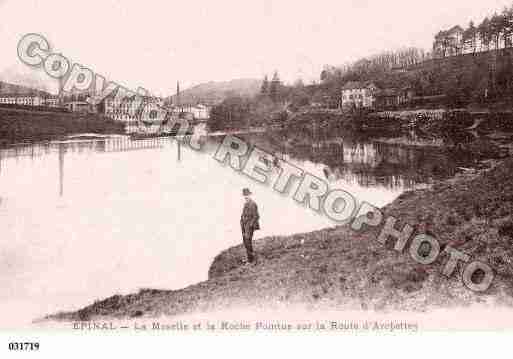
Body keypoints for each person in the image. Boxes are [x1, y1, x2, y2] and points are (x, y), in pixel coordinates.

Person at [240, 188, 260, 263]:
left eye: (247, 195)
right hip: (244, 225)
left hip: (249, 226)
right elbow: (244, 215)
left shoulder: (253, 204)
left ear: (250, 195)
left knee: (248, 241)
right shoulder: (246, 204)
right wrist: (242, 222)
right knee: (246, 241)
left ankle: (251, 260)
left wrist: (250, 225)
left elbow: (256, 216)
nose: (246, 197)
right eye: (244, 195)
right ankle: (249, 257)